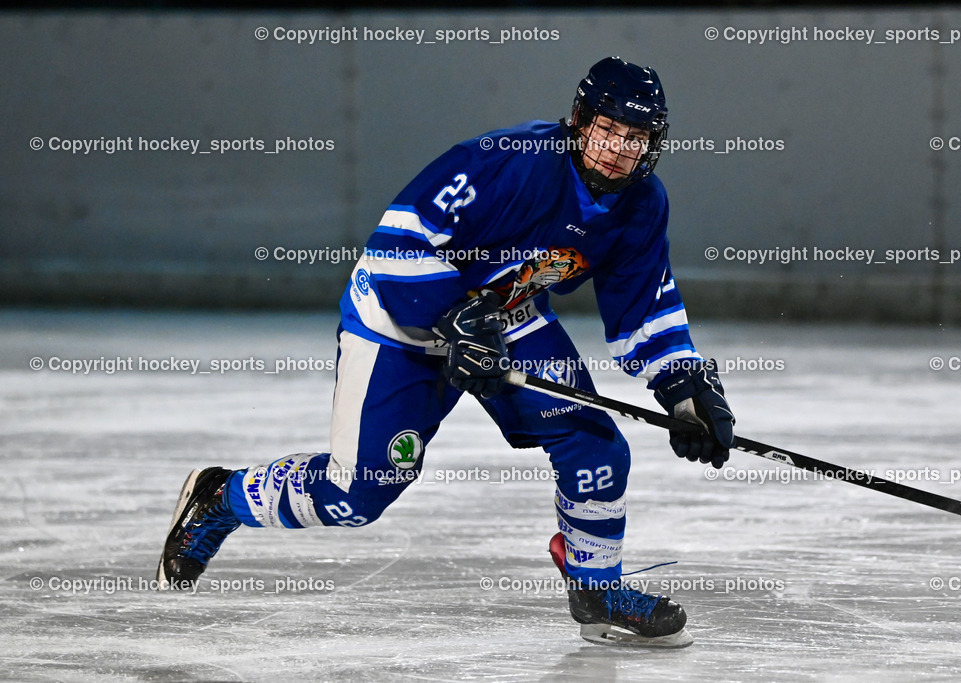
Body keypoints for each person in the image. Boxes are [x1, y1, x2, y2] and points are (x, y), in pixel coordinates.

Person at [158, 56, 736, 648]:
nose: (618, 150)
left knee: (595, 444)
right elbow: (396, 247)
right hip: (398, 323)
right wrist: (452, 320)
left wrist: (682, 384)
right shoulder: (507, 162)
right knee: (355, 498)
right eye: (608, 130)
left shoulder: (642, 204)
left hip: (504, 319)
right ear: (580, 121)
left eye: (636, 137)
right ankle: (219, 497)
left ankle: (595, 586)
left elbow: (645, 308)